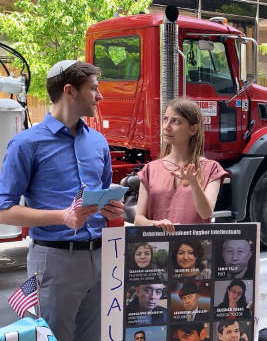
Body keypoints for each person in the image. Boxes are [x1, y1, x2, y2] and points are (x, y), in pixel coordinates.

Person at [0, 60, 125, 340]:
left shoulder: (99, 143)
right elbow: (3, 210)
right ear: (69, 90)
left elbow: (104, 197)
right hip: (54, 261)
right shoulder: (26, 144)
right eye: (93, 89)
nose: (100, 95)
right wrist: (62, 216)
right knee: (53, 336)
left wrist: (112, 208)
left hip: (100, 257)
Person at [135, 97, 229, 232]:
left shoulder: (211, 168)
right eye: (165, 119)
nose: (166, 127)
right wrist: (156, 224)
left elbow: (206, 213)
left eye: (175, 121)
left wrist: (193, 182)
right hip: (159, 247)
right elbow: (138, 219)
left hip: (194, 248)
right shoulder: (150, 169)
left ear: (193, 129)